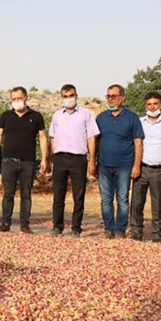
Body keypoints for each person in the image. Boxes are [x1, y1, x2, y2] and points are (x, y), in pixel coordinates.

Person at [0, 87, 48, 233]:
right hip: (8, 161)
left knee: (26, 194)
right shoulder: (6, 116)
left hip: (28, 162)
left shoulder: (36, 117)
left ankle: (24, 225)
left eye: (19, 98)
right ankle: (5, 223)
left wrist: (44, 159)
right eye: (14, 99)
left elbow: (42, 138)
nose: (17, 101)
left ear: (26, 98)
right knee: (8, 194)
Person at [48, 84, 99, 238]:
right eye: (65, 96)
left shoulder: (86, 114)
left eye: (71, 95)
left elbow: (91, 137)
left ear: (76, 96)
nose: (68, 99)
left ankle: (76, 228)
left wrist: (92, 161)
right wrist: (50, 160)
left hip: (78, 159)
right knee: (58, 194)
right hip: (60, 158)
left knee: (78, 195)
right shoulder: (57, 115)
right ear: (61, 97)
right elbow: (52, 138)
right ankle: (57, 227)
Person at [130, 92, 161, 243]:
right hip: (141, 168)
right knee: (137, 203)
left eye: (155, 104)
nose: (152, 107)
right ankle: (136, 235)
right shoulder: (139, 122)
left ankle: (156, 236)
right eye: (149, 104)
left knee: (157, 204)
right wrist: (134, 166)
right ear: (145, 105)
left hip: (160, 170)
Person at [95, 84, 144, 239]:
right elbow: (95, 142)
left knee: (122, 199)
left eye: (114, 96)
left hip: (124, 166)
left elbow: (138, 142)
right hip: (104, 165)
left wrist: (136, 165)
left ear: (122, 97)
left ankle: (120, 230)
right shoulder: (101, 118)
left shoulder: (132, 118)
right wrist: (92, 162)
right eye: (108, 96)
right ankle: (108, 229)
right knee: (106, 199)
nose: (110, 99)